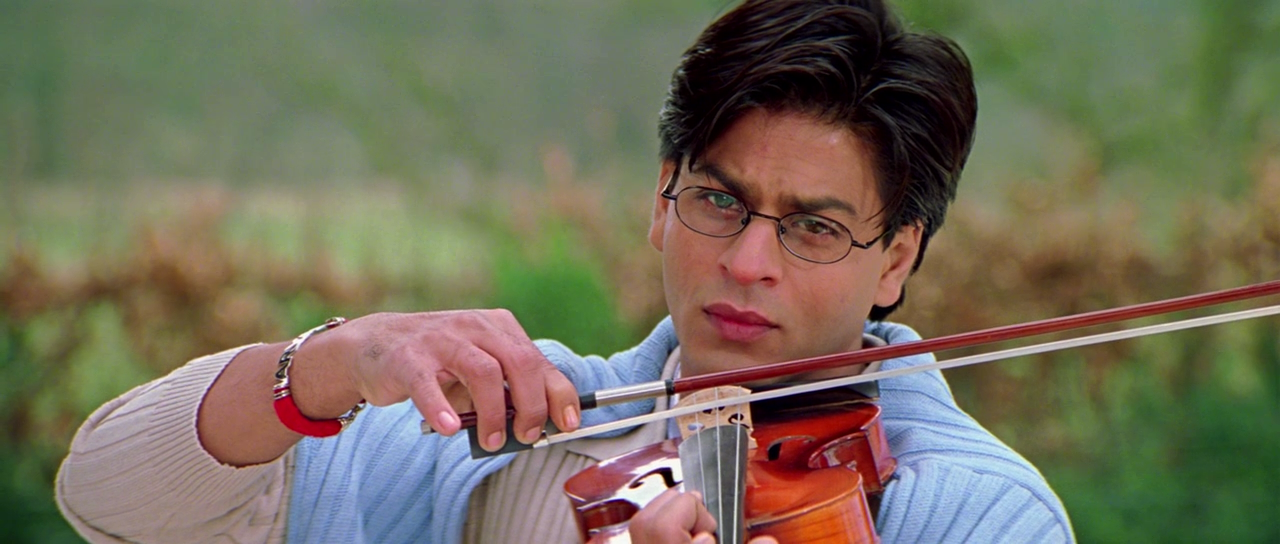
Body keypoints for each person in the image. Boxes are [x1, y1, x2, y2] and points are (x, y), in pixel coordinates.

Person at [56, 0, 1074, 542]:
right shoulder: (508, 423)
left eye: (812, 228)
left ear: (896, 257)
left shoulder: (975, 513)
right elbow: (103, 496)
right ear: (661, 195)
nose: (745, 261)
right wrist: (335, 361)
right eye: (718, 201)